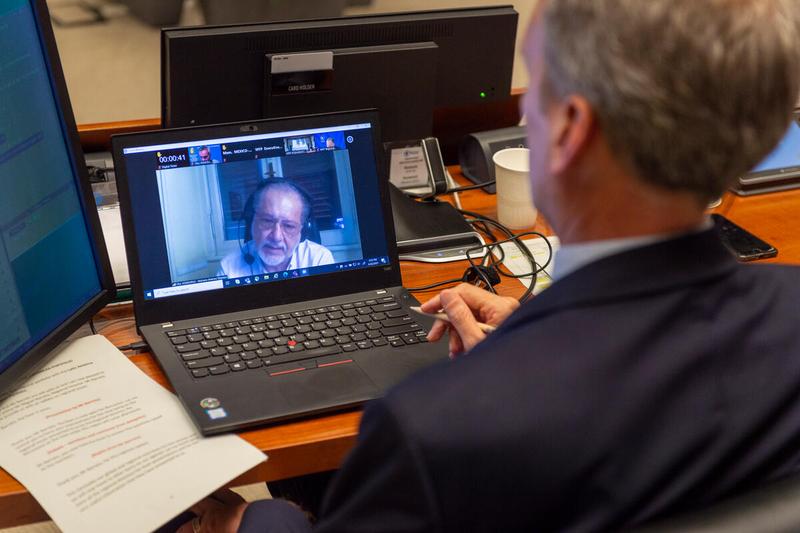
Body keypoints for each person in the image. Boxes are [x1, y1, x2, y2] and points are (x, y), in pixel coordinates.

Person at [180, 0, 800, 531]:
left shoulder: (433, 428)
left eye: (537, 90)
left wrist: (252, 520)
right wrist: (534, 335)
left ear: (570, 132)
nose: (523, 117)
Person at [218, 180, 334, 278]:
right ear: (251, 223)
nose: (276, 237)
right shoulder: (229, 267)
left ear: (302, 232)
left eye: (289, 226)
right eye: (267, 221)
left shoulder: (319, 259)